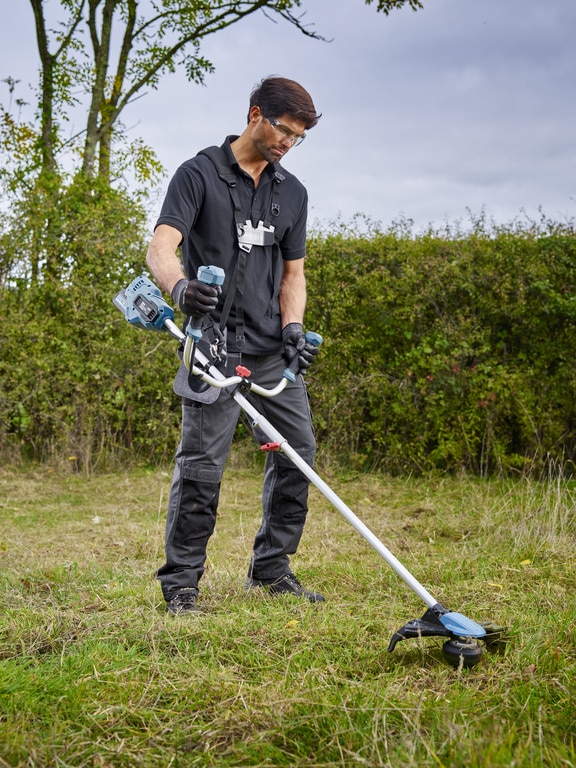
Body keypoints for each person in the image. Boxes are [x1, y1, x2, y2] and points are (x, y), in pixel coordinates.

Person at [145, 76, 323, 615]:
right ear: (255, 115)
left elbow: (293, 275)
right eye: (283, 131)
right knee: (202, 465)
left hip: (271, 350)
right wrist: (178, 287)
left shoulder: (292, 191)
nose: (287, 144)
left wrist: (294, 328)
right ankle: (181, 585)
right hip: (215, 344)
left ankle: (271, 570)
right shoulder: (198, 174)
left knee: (299, 456)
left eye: (298, 138)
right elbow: (161, 247)